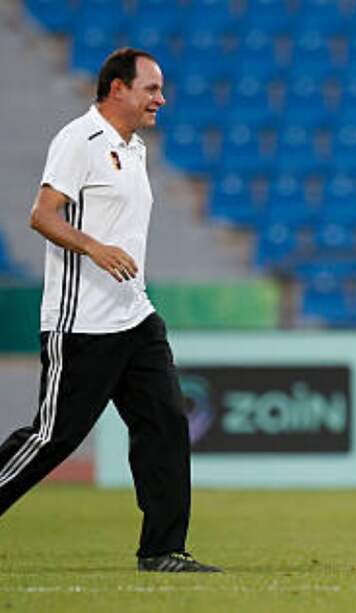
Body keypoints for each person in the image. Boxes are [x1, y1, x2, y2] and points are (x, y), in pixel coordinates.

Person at [0, 48, 219, 572]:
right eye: (151, 89)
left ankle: (163, 550)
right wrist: (94, 248)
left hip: (134, 316)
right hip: (82, 324)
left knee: (166, 423)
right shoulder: (79, 140)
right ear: (117, 88)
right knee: (52, 438)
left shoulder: (136, 149)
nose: (160, 99)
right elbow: (42, 215)